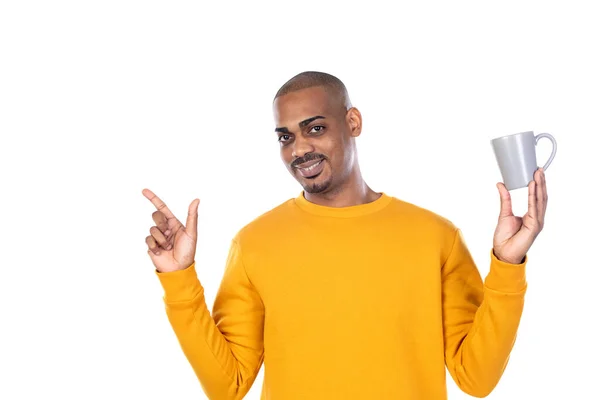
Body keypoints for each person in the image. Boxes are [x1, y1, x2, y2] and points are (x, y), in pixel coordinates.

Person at [142, 71, 548, 400]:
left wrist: (508, 266)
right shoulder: (254, 242)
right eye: (286, 137)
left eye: (314, 128)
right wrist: (180, 281)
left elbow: (477, 377)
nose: (299, 149)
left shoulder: (434, 236)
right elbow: (226, 386)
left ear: (352, 122)